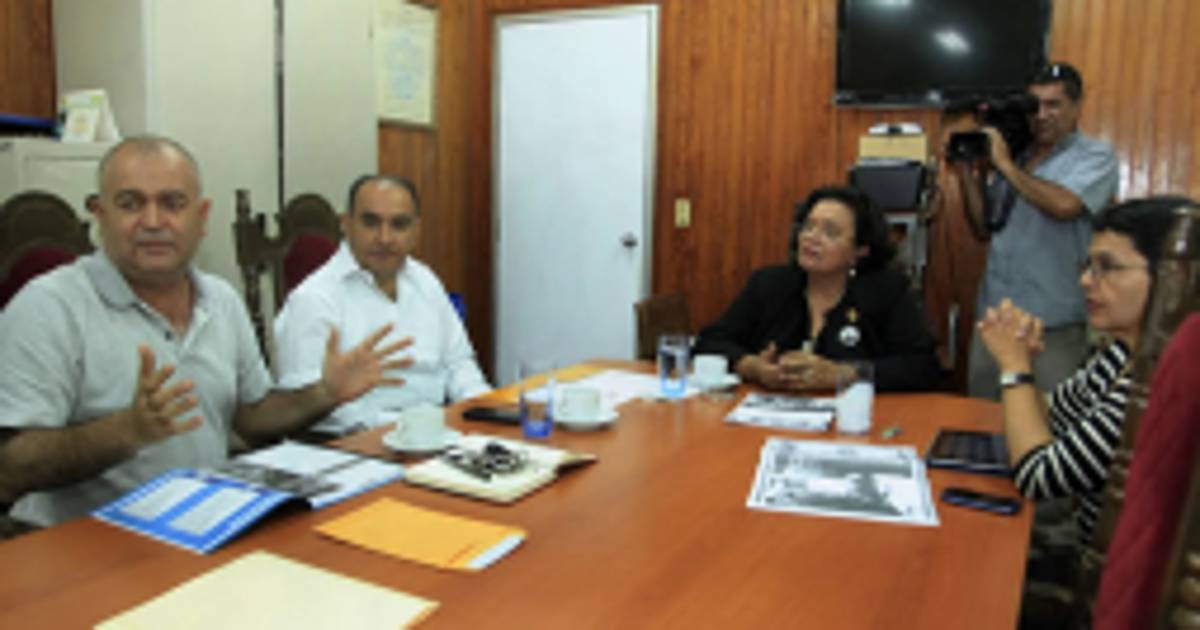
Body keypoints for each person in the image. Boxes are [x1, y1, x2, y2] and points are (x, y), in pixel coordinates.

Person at [0, 136, 411, 526]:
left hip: (204, 523)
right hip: (86, 542)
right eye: (130, 204)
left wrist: (324, 394)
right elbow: (10, 466)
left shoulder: (220, 298)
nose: (153, 221)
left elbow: (250, 417)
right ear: (99, 215)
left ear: (201, 218)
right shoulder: (48, 306)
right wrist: (126, 431)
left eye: (172, 203)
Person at [978, 196, 1190, 544]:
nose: (1086, 281)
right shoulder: (1123, 352)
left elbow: (1038, 479)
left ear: (1174, 278)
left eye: (1107, 267)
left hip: (1109, 567)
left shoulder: (1161, 381)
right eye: (1088, 266)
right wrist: (1022, 361)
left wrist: (1015, 368)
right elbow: (1054, 415)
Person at [273, 175, 491, 436]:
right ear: (346, 225)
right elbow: (305, 406)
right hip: (353, 442)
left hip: (434, 434)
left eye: (399, 224)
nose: (385, 238)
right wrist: (409, 427)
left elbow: (459, 363)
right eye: (370, 222)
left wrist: (483, 410)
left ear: (416, 231)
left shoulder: (424, 280)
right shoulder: (314, 298)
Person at [965, 62, 1120, 400]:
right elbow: (982, 226)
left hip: (1054, 326)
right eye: (1035, 105)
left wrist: (1005, 165)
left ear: (1076, 107)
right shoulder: (1018, 157)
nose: (1042, 115)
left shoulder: (1094, 155)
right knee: (978, 423)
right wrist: (969, 170)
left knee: (1049, 421)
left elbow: (1065, 205)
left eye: (1054, 105)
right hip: (995, 322)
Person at [693, 185, 940, 392]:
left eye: (830, 232)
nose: (812, 237)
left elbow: (923, 366)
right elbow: (710, 342)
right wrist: (753, 367)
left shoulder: (886, 291)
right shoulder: (770, 284)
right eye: (808, 226)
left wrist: (844, 374)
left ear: (860, 251)